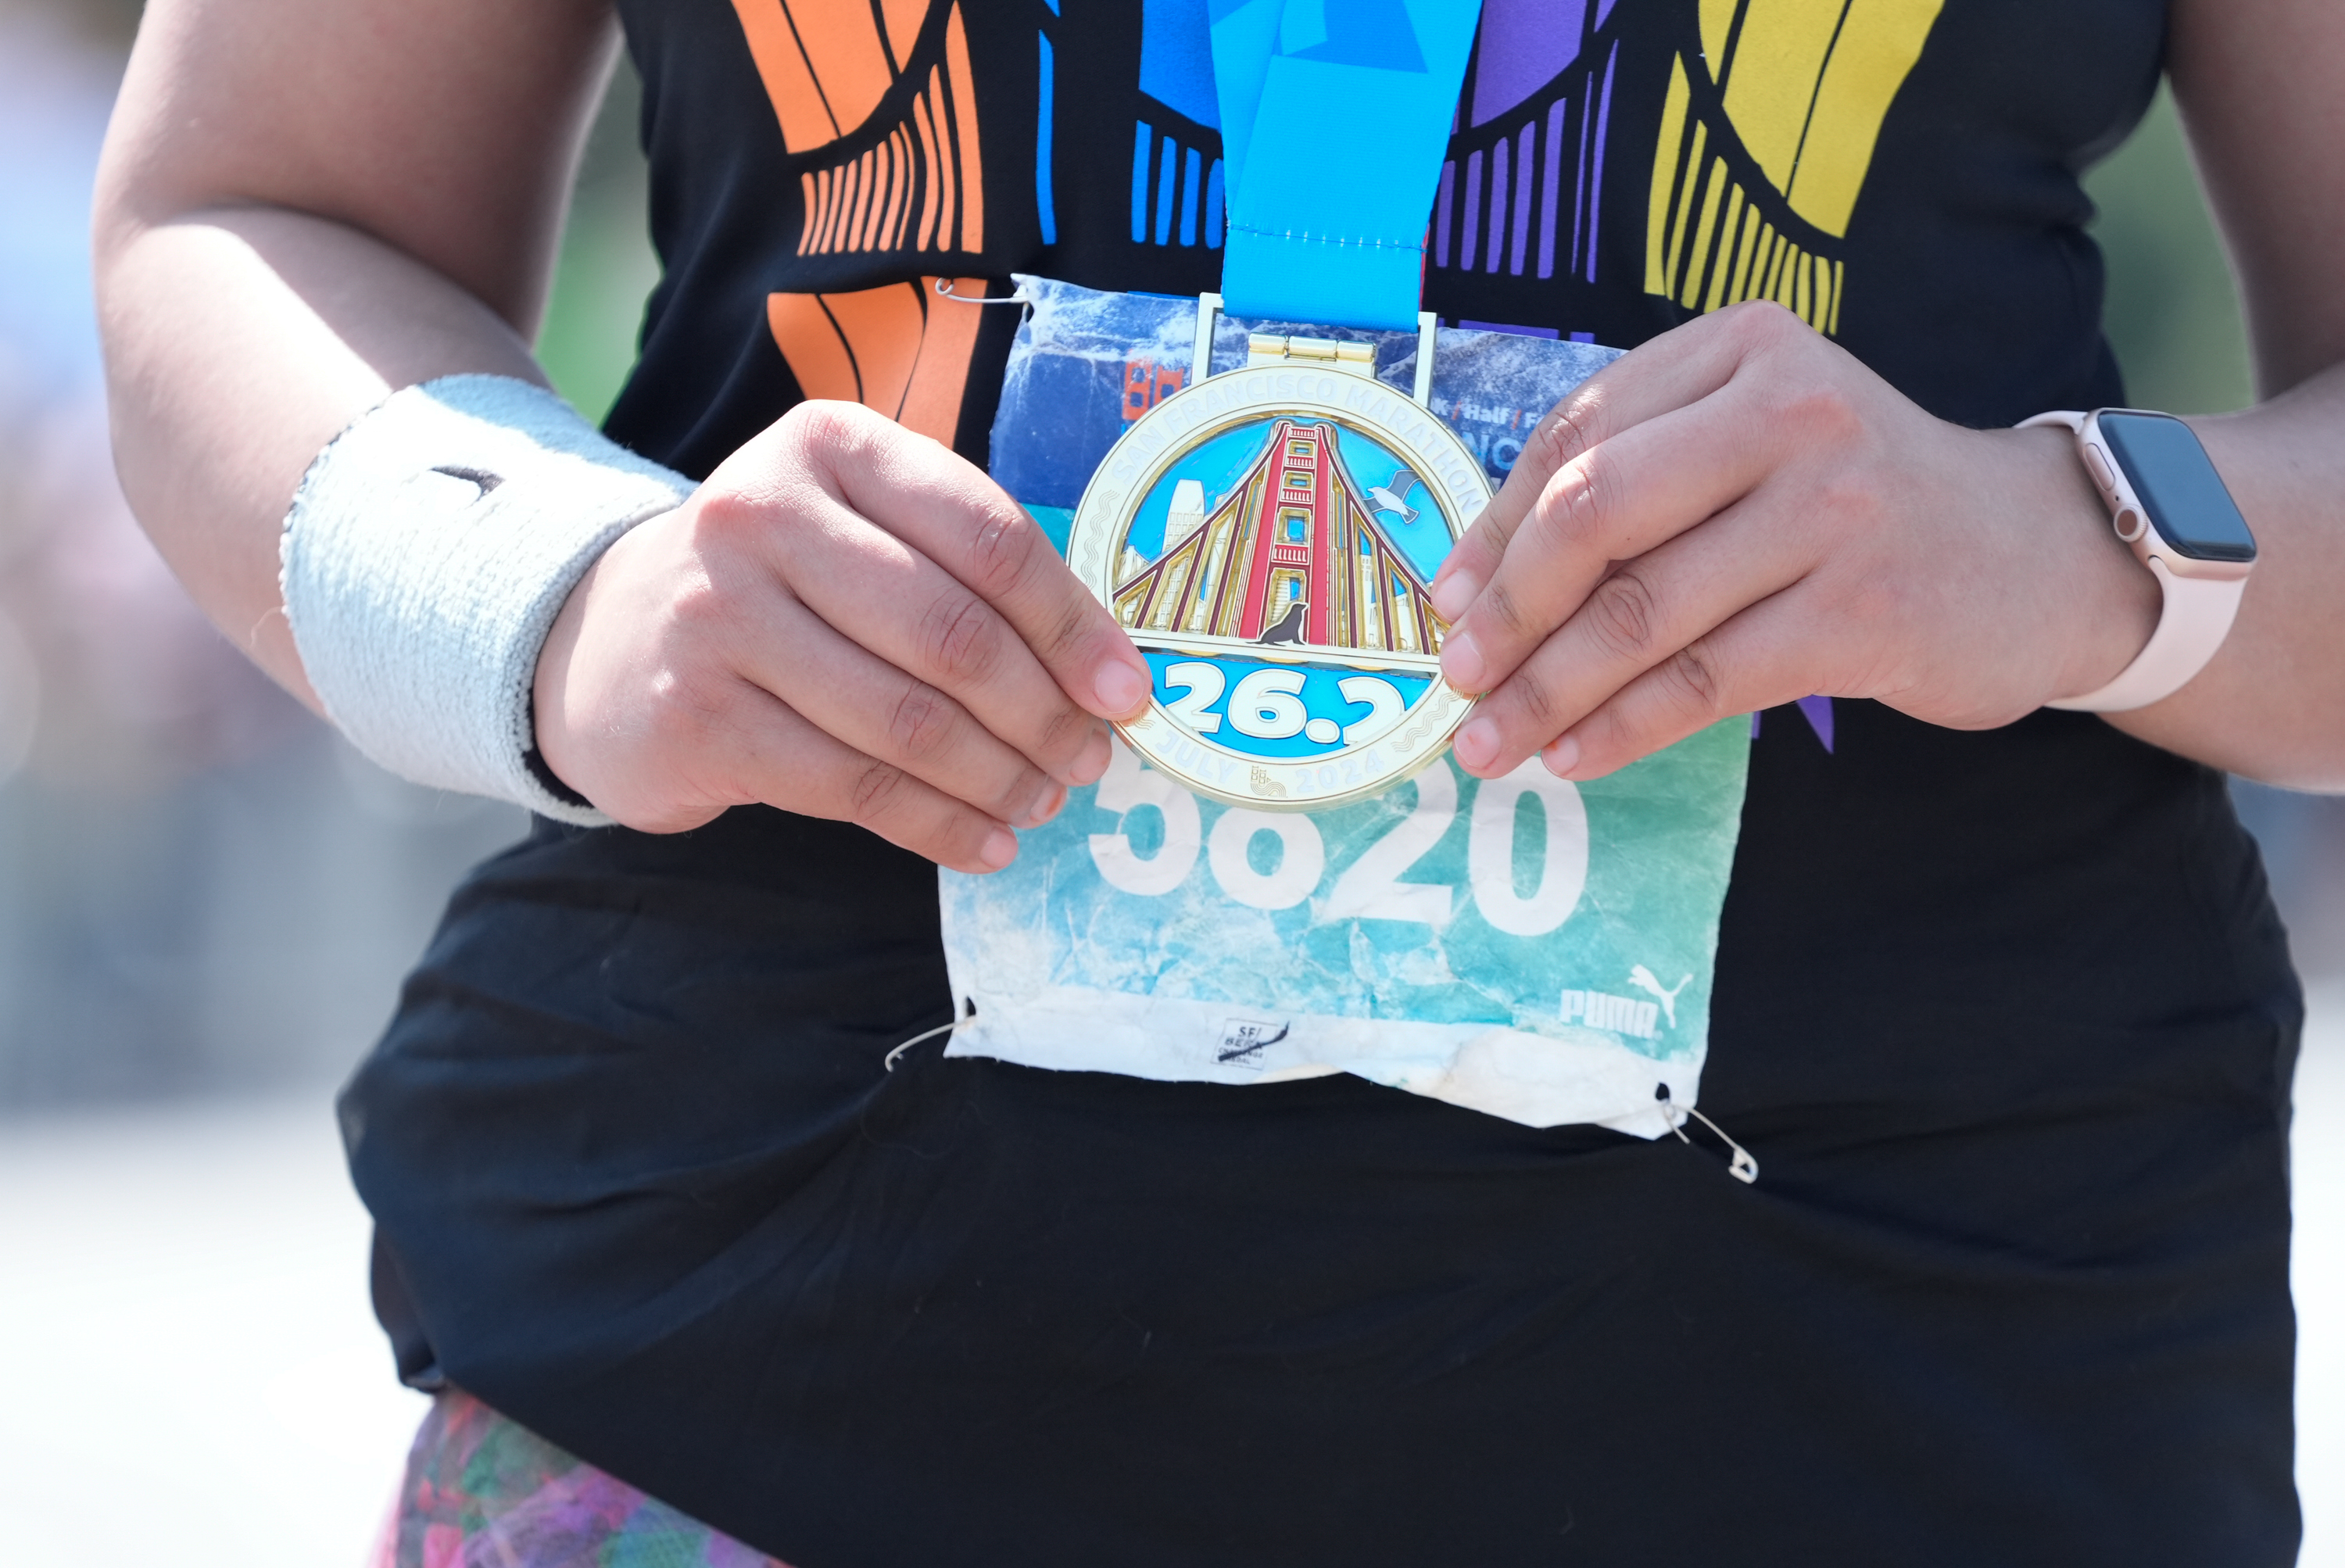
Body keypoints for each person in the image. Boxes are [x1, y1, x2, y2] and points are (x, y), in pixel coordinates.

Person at [92, 0, 2343, 1561]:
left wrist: (2072, 544)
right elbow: (249, 215)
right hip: (742, 1384)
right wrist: (561, 603)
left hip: (1916, 1392)